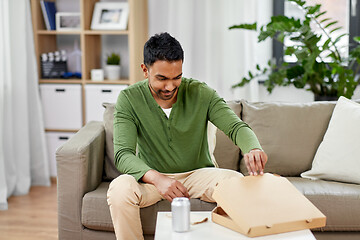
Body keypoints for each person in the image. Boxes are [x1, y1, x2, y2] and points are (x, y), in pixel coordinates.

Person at [107, 32, 268, 240]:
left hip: (198, 175)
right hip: (151, 180)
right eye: (162, 79)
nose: (170, 87)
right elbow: (123, 154)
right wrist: (157, 179)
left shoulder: (201, 93)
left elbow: (236, 127)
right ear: (145, 70)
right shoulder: (129, 99)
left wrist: (253, 148)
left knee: (237, 182)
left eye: (177, 78)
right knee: (119, 189)